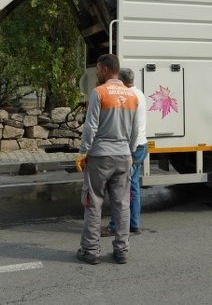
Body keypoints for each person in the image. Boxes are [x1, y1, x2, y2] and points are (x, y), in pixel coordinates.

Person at [76, 54, 140, 265]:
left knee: (93, 202)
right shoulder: (132, 95)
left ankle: (90, 251)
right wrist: (130, 151)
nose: (96, 73)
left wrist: (83, 151)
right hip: (124, 155)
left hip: (100, 156)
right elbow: (135, 130)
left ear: (104, 69)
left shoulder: (99, 92)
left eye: (97, 69)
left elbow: (90, 126)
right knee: (122, 204)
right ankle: (122, 250)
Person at [104, 67, 147, 237]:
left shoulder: (128, 96)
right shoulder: (140, 94)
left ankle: (116, 225)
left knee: (120, 187)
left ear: (121, 81)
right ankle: (134, 224)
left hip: (132, 146)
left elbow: (128, 125)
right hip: (142, 144)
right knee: (133, 185)